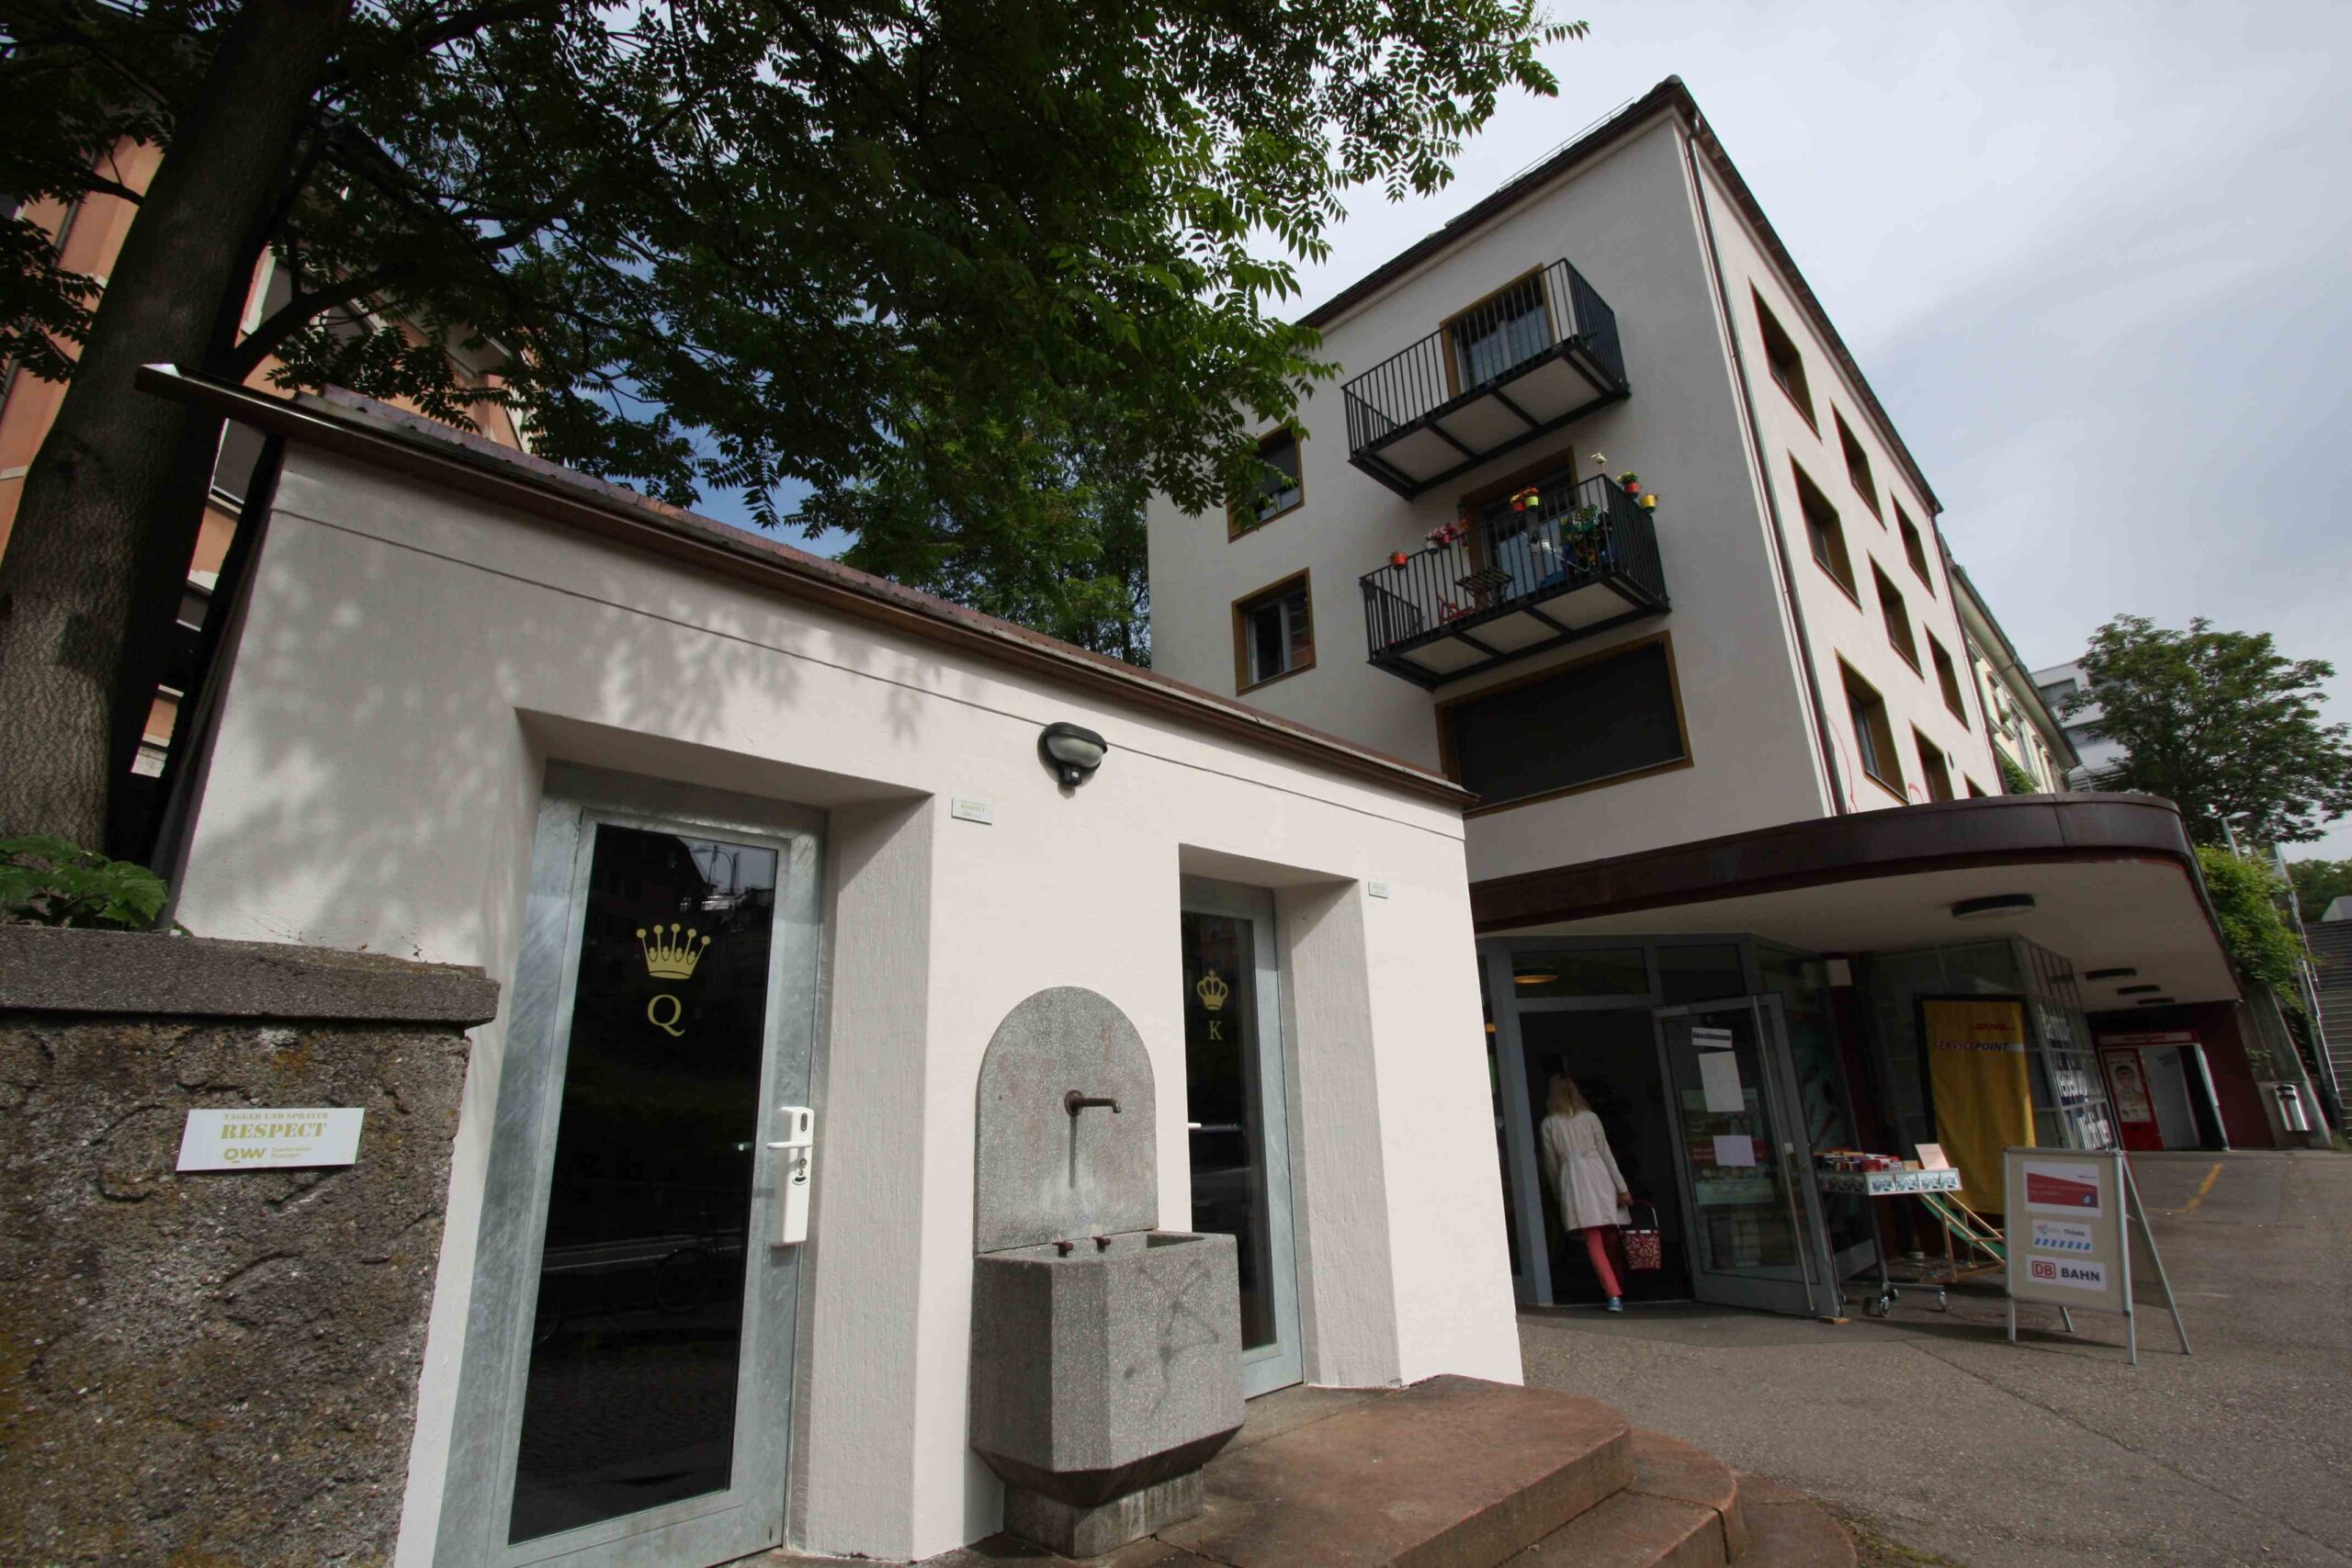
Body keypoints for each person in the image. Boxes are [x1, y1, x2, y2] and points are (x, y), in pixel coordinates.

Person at [1539, 1073, 1634, 1312]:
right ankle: (1618, 1283)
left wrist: (1559, 1192)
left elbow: (1551, 1163)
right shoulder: (1590, 1118)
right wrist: (1622, 1188)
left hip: (1572, 1179)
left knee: (1593, 1237)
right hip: (1599, 1174)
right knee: (1610, 1232)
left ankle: (1613, 1294)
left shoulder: (1549, 1124)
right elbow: (1606, 1153)